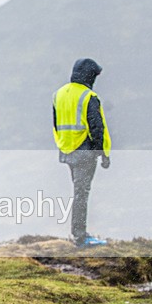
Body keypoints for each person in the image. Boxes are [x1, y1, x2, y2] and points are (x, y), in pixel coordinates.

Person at [53, 58, 112, 247]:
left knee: (78, 191)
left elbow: (56, 122)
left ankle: (78, 234)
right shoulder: (88, 97)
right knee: (81, 193)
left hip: (67, 151)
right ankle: (80, 237)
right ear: (89, 76)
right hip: (85, 152)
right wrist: (102, 153)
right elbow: (97, 128)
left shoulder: (59, 94)